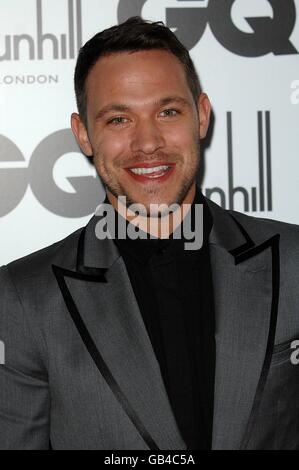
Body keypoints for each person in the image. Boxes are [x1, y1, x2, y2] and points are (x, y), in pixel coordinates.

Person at [0, 16, 299, 451]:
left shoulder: (293, 261)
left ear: (201, 115)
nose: (147, 143)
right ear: (84, 134)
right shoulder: (24, 298)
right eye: (118, 120)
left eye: (167, 111)